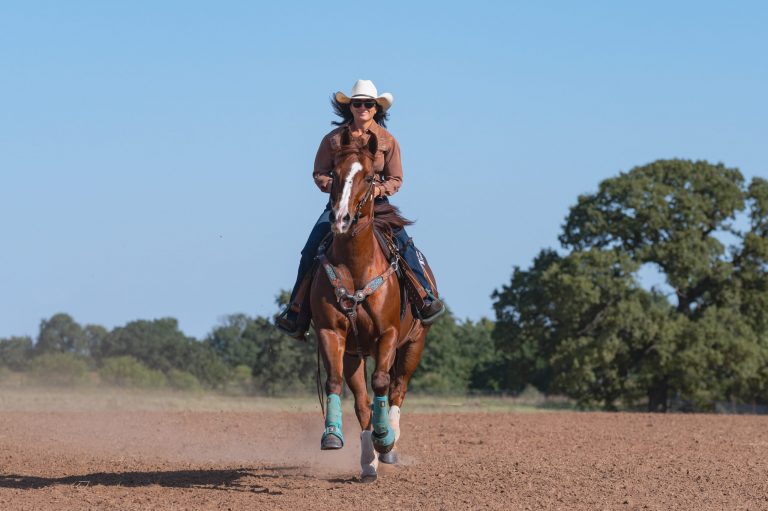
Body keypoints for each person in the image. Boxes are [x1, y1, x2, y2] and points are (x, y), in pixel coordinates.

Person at [275, 79, 445, 338]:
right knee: (310, 248)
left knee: (404, 244)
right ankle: (296, 311)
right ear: (350, 107)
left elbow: (396, 179)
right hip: (341, 202)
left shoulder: (388, 141)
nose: (363, 107)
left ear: (376, 108)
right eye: (358, 103)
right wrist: (339, 186)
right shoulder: (332, 140)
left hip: (377, 205)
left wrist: (377, 189)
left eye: (368, 103)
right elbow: (319, 172)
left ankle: (423, 296)